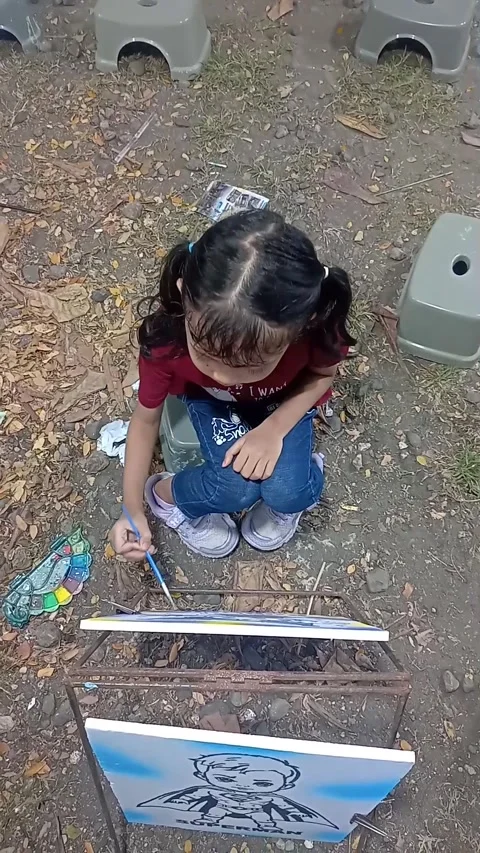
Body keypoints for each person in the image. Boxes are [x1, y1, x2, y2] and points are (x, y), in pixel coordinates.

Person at [110, 210, 355, 560]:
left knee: (289, 492)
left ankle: (299, 479)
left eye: (251, 365)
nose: (222, 376)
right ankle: (163, 495)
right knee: (236, 489)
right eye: (204, 351)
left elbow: (322, 376)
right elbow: (145, 420)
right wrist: (132, 507)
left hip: (283, 402)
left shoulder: (315, 332)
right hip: (211, 405)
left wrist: (273, 429)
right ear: (183, 294)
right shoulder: (166, 342)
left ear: (303, 326)